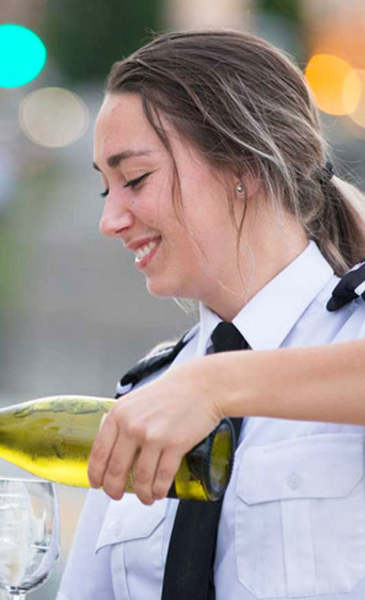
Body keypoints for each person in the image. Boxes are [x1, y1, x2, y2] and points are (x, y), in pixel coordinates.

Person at [57, 29, 365, 600]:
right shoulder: (147, 398)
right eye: (106, 191)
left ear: (243, 164)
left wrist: (215, 385)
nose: (111, 220)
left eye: (136, 179)